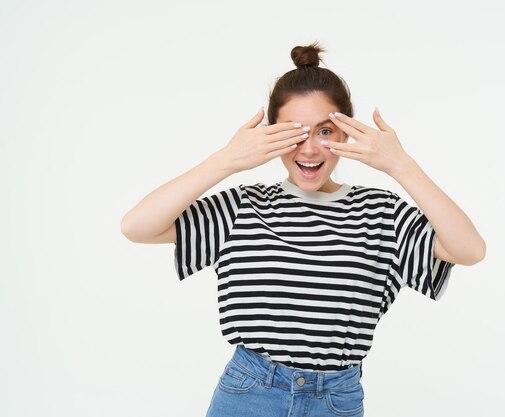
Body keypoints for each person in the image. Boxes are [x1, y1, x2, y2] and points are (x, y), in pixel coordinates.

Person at [121, 41, 486, 417]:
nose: (309, 149)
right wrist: (226, 161)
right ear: (269, 135)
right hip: (249, 393)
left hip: (336, 399)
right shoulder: (243, 207)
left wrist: (402, 166)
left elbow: (469, 250)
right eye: (293, 131)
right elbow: (137, 226)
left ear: (346, 133)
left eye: (325, 131)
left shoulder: (382, 213)